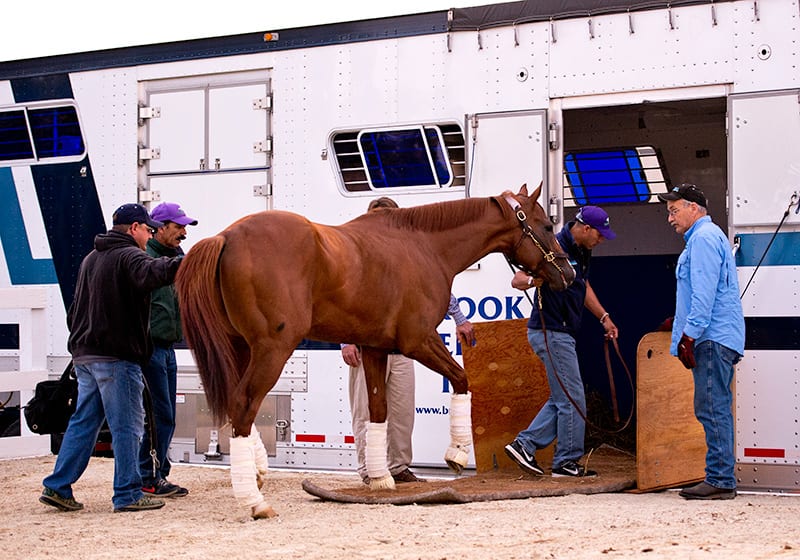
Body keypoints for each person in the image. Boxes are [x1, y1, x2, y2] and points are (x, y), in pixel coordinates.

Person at [40, 203, 183, 513]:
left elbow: (74, 310)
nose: (150, 235)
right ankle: (128, 493)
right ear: (133, 228)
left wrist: (81, 343)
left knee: (84, 423)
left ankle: (57, 486)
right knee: (128, 426)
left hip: (86, 355)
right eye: (147, 229)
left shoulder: (92, 258)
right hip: (117, 357)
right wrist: (189, 263)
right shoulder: (130, 255)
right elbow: (154, 272)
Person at [342, 196, 476, 485]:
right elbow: (343, 298)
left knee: (402, 411)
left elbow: (433, 291)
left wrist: (460, 317)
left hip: (401, 346)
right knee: (366, 409)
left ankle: (399, 467)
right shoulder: (358, 255)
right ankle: (370, 468)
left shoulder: (406, 256)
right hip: (366, 343)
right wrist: (345, 340)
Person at [504, 206, 618, 478]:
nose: (601, 240)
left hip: (562, 331)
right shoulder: (551, 246)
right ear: (585, 228)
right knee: (572, 397)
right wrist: (536, 280)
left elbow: (583, 286)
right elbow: (516, 280)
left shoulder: (582, 250)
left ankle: (525, 444)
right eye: (599, 235)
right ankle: (566, 461)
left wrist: (603, 316)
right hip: (549, 329)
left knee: (562, 398)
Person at [658, 184, 744, 500]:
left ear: (694, 208)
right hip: (716, 335)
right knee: (712, 404)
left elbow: (704, 293)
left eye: (674, 210)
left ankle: (720, 479)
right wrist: (679, 324)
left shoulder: (704, 240)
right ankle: (719, 477)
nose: (670, 218)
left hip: (711, 338)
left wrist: (690, 334)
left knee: (711, 405)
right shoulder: (704, 239)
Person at [138, 202, 198, 498]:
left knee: (166, 414)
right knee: (157, 414)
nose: (183, 233)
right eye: (178, 227)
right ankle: (149, 476)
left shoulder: (178, 257)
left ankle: (156, 473)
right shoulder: (144, 259)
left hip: (168, 348)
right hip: (149, 348)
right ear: (159, 228)